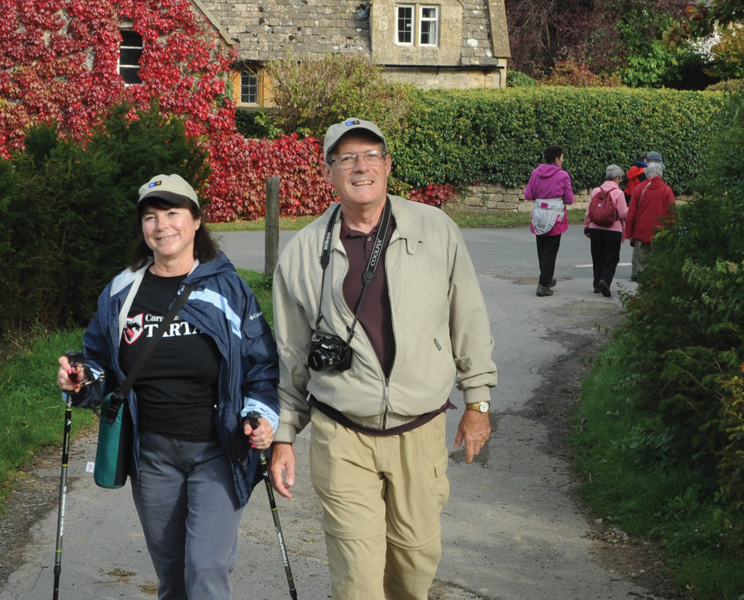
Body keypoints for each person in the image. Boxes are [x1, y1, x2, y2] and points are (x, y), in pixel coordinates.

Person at [267, 118, 499, 600]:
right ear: (330, 172)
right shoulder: (304, 252)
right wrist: (285, 435)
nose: (361, 166)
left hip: (419, 431)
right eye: (346, 158)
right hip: (342, 433)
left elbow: (468, 319)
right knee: (357, 576)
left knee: (415, 565)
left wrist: (477, 403)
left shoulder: (436, 229)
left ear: (388, 165)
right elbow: (290, 354)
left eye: (371, 155)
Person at [54, 174, 280, 600]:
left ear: (196, 220)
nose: (162, 226)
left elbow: (262, 365)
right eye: (151, 217)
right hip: (152, 456)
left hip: (218, 450)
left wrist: (262, 419)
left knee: (206, 568)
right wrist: (80, 378)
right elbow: (97, 362)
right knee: (173, 576)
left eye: (173, 213)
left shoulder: (227, 288)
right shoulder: (122, 291)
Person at [524, 145, 575, 296]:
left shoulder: (535, 173)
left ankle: (546, 277)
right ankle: (544, 284)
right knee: (551, 251)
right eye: (562, 158)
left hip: (539, 215)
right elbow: (569, 199)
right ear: (557, 158)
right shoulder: (563, 175)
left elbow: (528, 195)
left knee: (542, 249)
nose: (563, 160)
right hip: (555, 217)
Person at [582, 164, 629, 297]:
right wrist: (629, 210)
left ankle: (597, 284)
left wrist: (587, 227)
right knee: (612, 257)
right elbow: (622, 214)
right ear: (617, 178)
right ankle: (606, 280)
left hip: (595, 228)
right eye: (621, 179)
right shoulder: (618, 193)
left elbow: (589, 212)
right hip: (613, 230)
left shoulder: (596, 191)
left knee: (597, 256)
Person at [625, 160, 676, 281]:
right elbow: (673, 213)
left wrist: (629, 233)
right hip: (661, 233)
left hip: (641, 232)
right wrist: (673, 231)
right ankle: (655, 292)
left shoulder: (638, 189)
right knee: (659, 264)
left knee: (642, 264)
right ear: (661, 174)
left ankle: (643, 293)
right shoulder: (667, 190)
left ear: (647, 174)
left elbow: (631, 213)